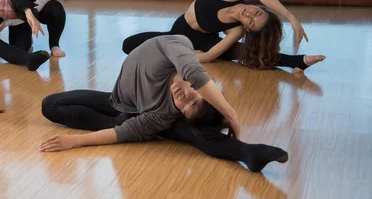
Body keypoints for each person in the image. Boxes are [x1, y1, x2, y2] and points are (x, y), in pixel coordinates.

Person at [40, 35, 288, 172]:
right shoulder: (178, 46)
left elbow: (121, 133)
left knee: (178, 129)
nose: (182, 100)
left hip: (132, 118)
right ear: (205, 88)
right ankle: (154, 131)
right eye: (193, 97)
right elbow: (195, 72)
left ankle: (249, 152)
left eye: (185, 107)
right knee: (50, 105)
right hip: (120, 102)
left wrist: (74, 141)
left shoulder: (166, 113)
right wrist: (230, 113)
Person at [122, 0, 326, 72]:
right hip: (177, 34)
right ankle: (169, 54)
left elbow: (210, 56)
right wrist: (291, 17)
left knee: (243, 53)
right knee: (128, 45)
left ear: (247, 28)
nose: (249, 15)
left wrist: (191, 57)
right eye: (256, 12)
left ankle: (298, 61)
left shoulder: (237, 30)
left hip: (200, 42)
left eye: (252, 22)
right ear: (257, 5)